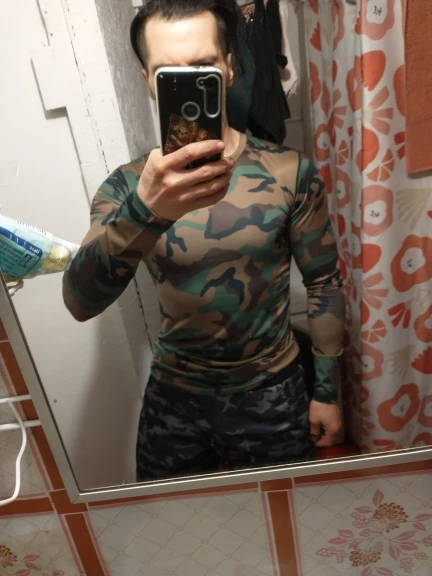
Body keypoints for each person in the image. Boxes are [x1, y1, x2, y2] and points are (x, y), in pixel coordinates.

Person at [63, 0, 345, 481]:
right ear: (147, 82)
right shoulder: (128, 186)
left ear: (229, 68)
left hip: (271, 389)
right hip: (174, 395)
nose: (187, 81)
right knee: (172, 519)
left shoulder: (289, 171)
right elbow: (80, 300)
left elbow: (324, 283)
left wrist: (326, 392)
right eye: (168, 72)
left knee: (288, 513)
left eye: (203, 66)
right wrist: (148, 209)